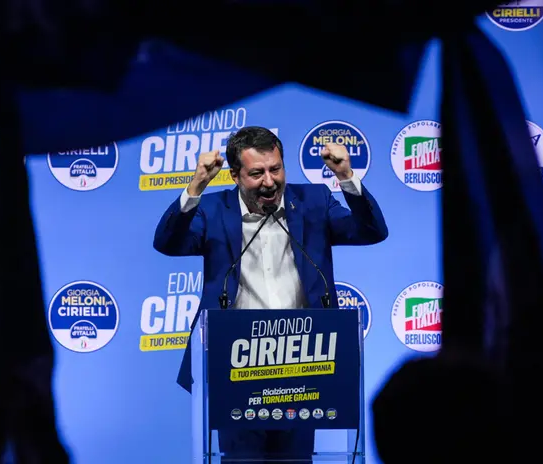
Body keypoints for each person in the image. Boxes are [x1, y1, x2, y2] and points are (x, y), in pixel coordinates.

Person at [152, 126, 388, 462]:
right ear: (235, 176)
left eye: (276, 169)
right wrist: (195, 187)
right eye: (256, 173)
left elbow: (372, 231)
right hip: (235, 367)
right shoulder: (213, 208)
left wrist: (346, 176)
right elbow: (168, 243)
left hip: (302, 364)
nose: (269, 181)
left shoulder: (314, 201)